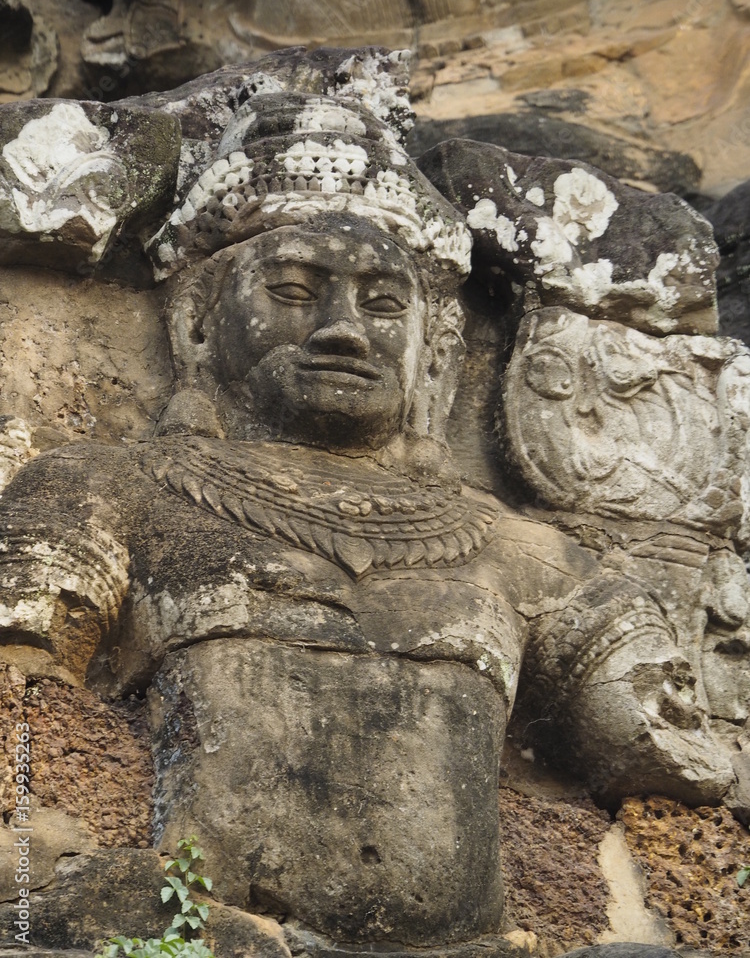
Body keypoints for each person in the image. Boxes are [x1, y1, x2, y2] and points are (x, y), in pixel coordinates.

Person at [0, 86, 740, 952]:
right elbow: (20, 703)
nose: (344, 332)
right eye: (292, 290)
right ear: (197, 322)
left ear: (437, 350)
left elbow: (667, 753)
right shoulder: (106, 488)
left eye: (385, 305)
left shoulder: (523, 554)